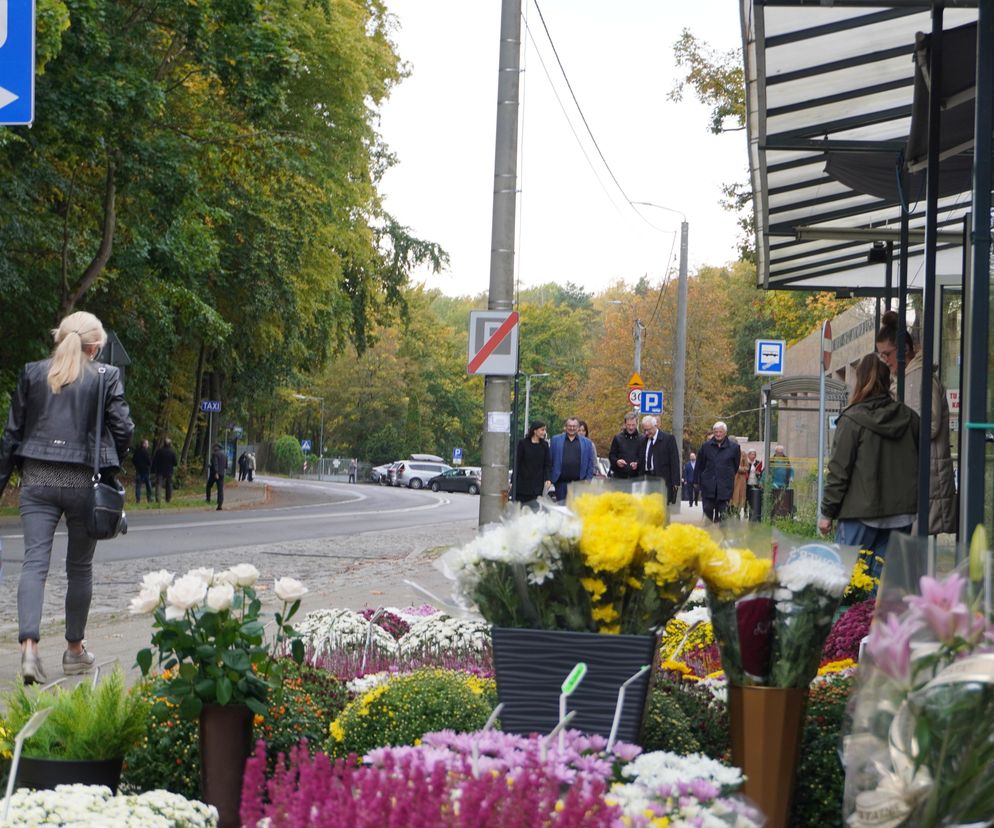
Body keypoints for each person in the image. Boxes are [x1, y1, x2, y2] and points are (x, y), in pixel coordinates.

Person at [0, 311, 134, 684]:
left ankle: (28, 649)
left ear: (59, 338)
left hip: (37, 479)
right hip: (83, 484)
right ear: (95, 348)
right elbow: (123, 429)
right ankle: (75, 652)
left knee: (34, 564)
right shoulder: (107, 377)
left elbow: (12, 434)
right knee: (79, 568)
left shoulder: (31, 373)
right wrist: (111, 465)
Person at [819, 353, 919, 579]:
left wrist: (827, 513)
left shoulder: (852, 420)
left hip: (859, 515)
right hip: (901, 516)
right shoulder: (911, 419)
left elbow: (839, 472)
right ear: (888, 381)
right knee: (883, 588)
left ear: (860, 380)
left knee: (846, 582)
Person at [875, 310, 957, 534]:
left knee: (915, 545)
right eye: (880, 355)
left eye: (887, 354)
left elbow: (928, 426)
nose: (884, 360)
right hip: (924, 473)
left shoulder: (916, 379)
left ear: (904, 350)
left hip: (927, 475)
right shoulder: (910, 378)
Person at [695, 421, 741, 523]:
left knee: (724, 513)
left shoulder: (734, 448)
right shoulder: (706, 446)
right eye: (716, 432)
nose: (718, 434)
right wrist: (700, 480)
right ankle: (708, 533)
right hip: (708, 485)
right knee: (707, 510)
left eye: (720, 432)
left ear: (725, 433)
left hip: (724, 486)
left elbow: (735, 466)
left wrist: (726, 475)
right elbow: (700, 465)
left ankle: (723, 535)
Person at [549, 416, 595, 502]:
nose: (572, 428)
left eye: (574, 426)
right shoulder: (555, 440)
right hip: (560, 484)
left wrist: (588, 479)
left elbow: (590, 463)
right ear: (565, 427)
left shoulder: (587, 443)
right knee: (561, 510)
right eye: (569, 426)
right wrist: (551, 478)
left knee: (576, 511)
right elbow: (550, 460)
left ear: (578, 428)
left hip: (579, 484)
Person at [637, 415, 681, 504]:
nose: (646, 433)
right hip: (646, 479)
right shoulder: (642, 440)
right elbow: (640, 458)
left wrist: (675, 482)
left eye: (648, 430)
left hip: (662, 479)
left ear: (655, 426)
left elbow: (674, 461)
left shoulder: (668, 439)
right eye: (644, 430)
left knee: (661, 507)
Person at [514, 420, 553, 506]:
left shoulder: (545, 445)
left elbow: (547, 464)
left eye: (545, 430)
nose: (544, 432)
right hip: (522, 485)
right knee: (521, 511)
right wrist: (513, 481)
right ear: (535, 431)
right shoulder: (523, 444)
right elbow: (517, 463)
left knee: (534, 510)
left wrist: (548, 478)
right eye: (542, 430)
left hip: (537, 485)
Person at [608, 411, 641, 479]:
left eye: (633, 425)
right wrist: (617, 462)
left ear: (637, 424)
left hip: (636, 477)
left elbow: (644, 457)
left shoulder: (642, 439)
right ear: (625, 424)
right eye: (629, 425)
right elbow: (612, 455)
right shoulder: (618, 438)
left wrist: (637, 464)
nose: (631, 428)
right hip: (619, 476)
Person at [152, 437, 178, 503]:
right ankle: (168, 499)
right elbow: (175, 463)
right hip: (169, 471)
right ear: (170, 444)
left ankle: (158, 499)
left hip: (160, 470)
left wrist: (154, 469)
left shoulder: (159, 451)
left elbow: (155, 461)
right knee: (169, 485)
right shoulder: (172, 452)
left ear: (164, 444)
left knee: (158, 484)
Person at [207, 443, 227, 510]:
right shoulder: (224, 455)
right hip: (222, 474)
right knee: (220, 489)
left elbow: (215, 464)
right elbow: (226, 466)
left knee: (208, 486)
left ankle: (208, 499)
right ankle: (220, 504)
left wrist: (216, 472)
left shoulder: (215, 454)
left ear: (216, 448)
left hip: (214, 474)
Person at [132, 438, 153, 503]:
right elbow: (149, 461)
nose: (148, 445)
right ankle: (149, 499)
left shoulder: (137, 451)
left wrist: (137, 466)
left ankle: (138, 500)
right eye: (147, 444)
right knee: (148, 486)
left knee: (138, 486)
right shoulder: (146, 452)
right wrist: (149, 465)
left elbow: (133, 460)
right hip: (145, 471)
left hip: (138, 470)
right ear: (144, 444)